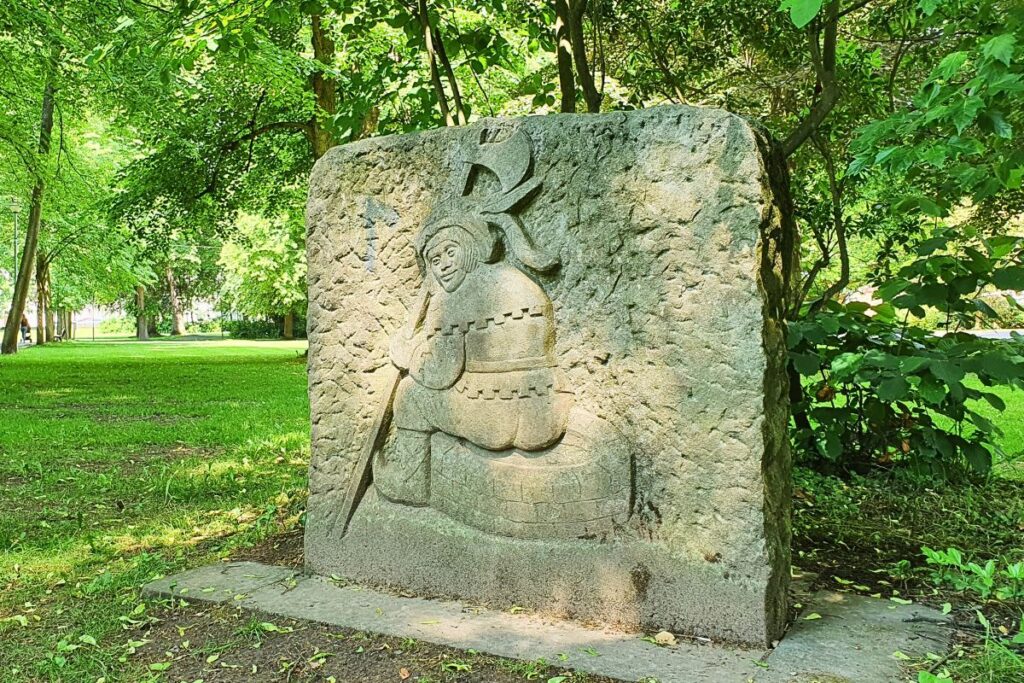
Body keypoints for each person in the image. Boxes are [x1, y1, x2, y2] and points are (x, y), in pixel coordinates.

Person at [378, 212, 571, 506]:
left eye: (450, 252)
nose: (442, 265)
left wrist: (409, 354)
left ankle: (408, 482)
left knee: (409, 395)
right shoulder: (518, 280)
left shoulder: (453, 300)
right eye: (435, 260)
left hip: (496, 416)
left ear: (470, 249)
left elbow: (439, 374)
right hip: (547, 410)